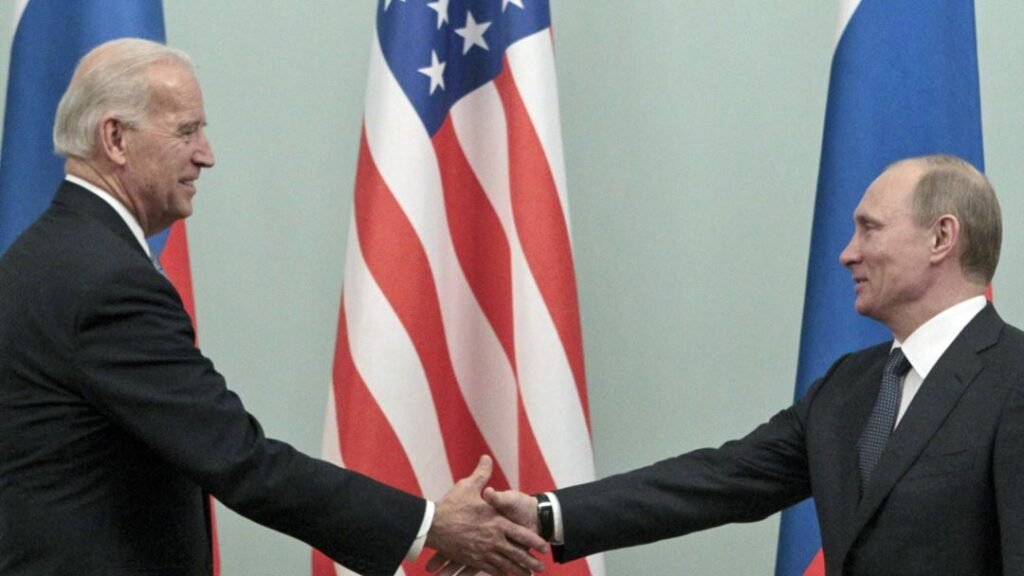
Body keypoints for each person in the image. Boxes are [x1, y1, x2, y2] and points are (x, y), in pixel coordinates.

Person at [0, 38, 546, 576]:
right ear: (116, 138)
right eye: (187, 131)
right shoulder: (107, 282)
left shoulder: (45, 255)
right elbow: (239, 458)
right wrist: (428, 524)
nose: (206, 155)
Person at [478, 155, 1024, 576]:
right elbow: (719, 480)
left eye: (870, 228)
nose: (848, 253)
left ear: (941, 238)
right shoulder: (849, 387)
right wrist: (546, 514)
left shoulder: (1014, 378)